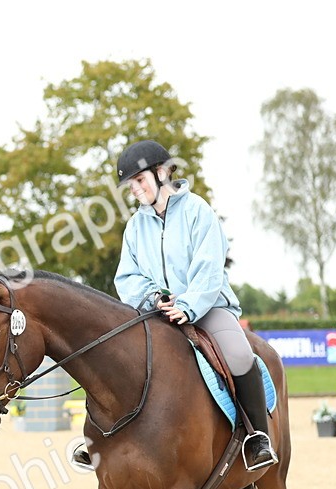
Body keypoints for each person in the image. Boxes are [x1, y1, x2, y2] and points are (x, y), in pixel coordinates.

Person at [113, 139, 277, 471]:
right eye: (130, 184)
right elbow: (126, 277)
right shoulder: (134, 227)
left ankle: (258, 437)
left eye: (139, 180)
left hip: (209, 306)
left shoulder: (197, 211)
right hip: (156, 310)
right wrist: (154, 298)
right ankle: (106, 437)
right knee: (118, 354)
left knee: (240, 353)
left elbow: (209, 267)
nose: (134, 189)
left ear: (161, 173)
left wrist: (187, 305)